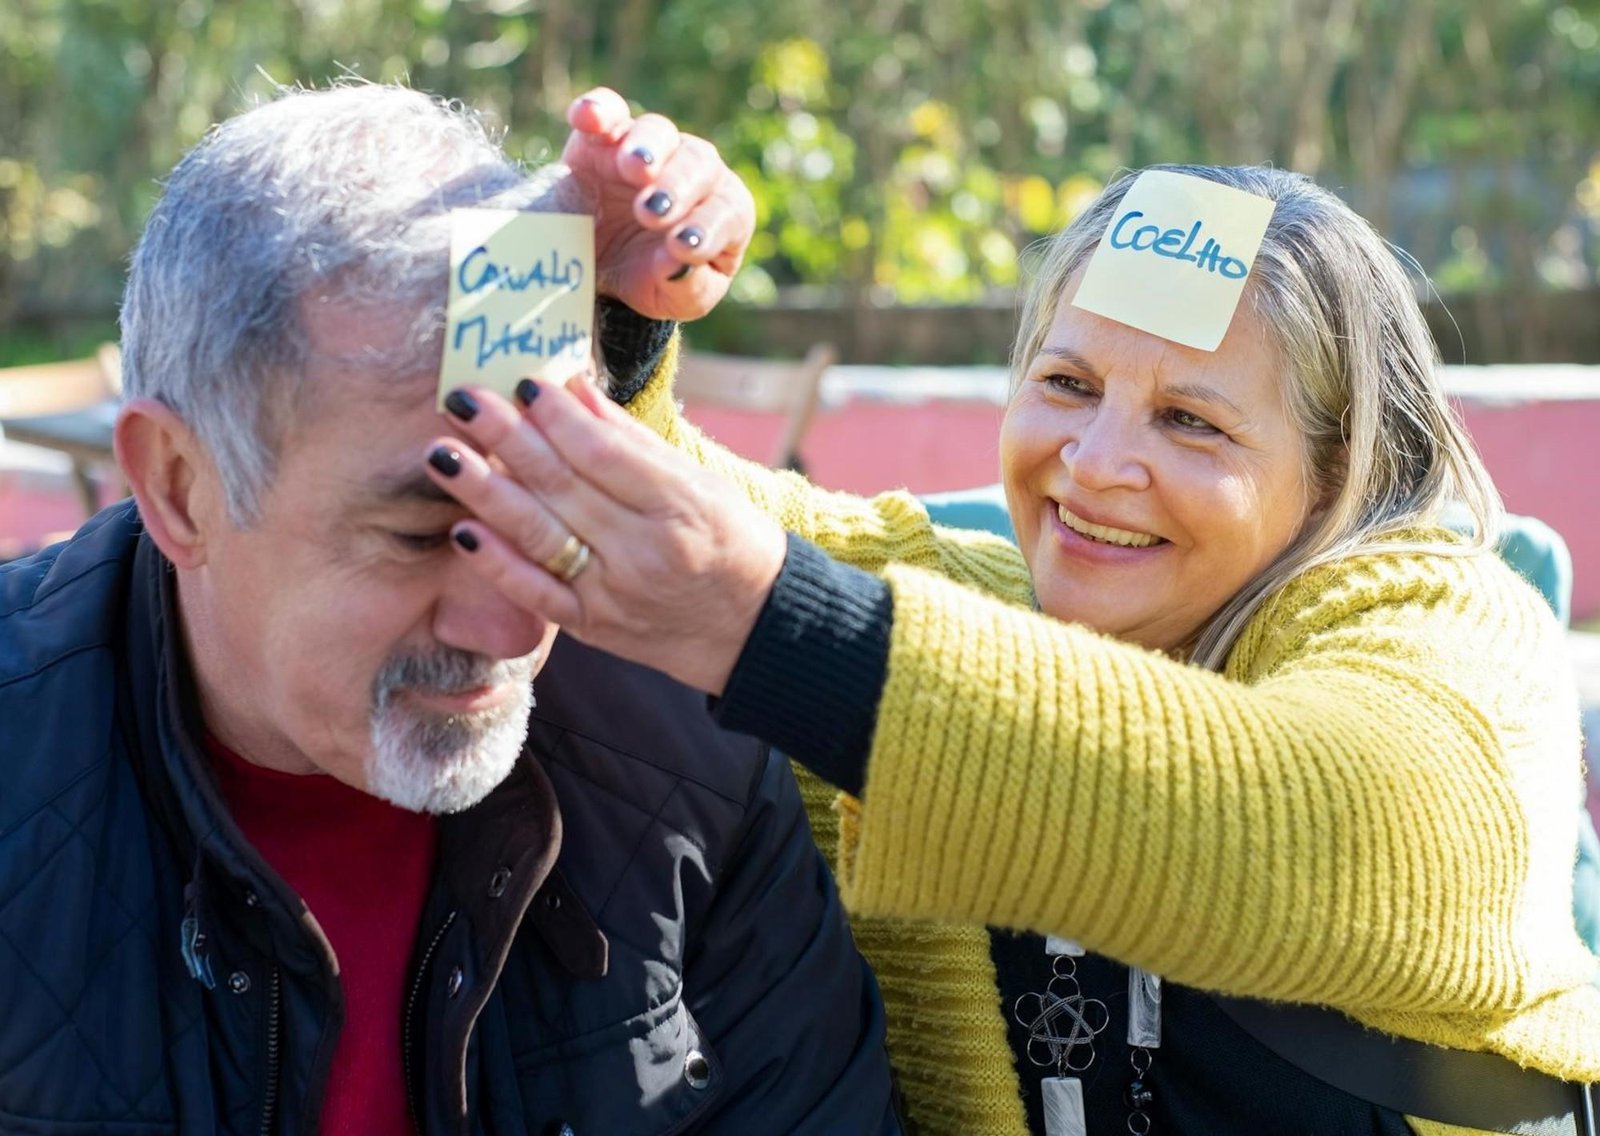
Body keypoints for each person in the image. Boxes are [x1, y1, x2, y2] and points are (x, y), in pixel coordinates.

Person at [421, 92, 1600, 1136]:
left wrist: (778, 624)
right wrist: (586, 272)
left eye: (1190, 420)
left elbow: (1332, 825)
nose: (1093, 463)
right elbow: (579, 488)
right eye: (1068, 384)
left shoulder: (1449, 626)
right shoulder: (958, 599)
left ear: (1338, 469)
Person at [0, 82, 902, 1135]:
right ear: (178, 484)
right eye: (424, 532)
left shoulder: (697, 750)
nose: (517, 624)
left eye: (545, 504)